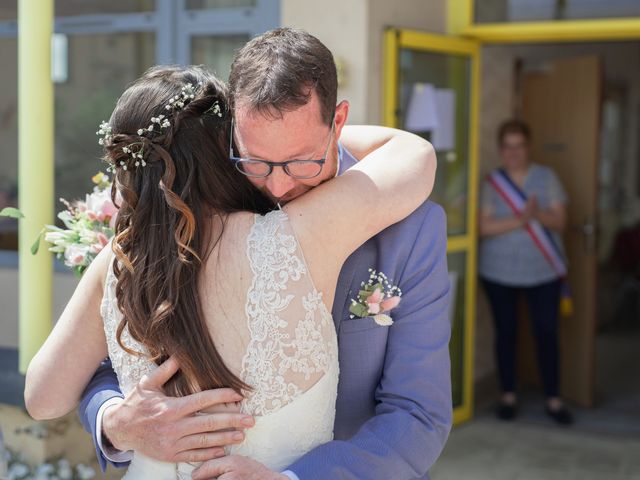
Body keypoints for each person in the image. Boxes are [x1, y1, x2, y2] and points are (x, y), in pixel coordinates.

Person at [77, 28, 452, 480]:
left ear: (338, 123)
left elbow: (417, 415)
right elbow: (111, 351)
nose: (277, 187)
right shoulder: (192, 211)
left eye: (301, 162)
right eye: (255, 161)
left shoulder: (411, 228)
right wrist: (114, 423)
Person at [479, 119, 573, 425]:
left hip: (543, 272)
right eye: (508, 146)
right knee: (506, 334)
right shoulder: (493, 183)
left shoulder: (546, 178)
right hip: (498, 272)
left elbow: (560, 221)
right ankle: (508, 395)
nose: (514, 152)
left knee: (546, 333)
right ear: (501, 149)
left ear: (528, 147)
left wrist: (537, 216)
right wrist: (521, 221)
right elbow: (484, 227)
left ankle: (553, 398)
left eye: (519, 146)